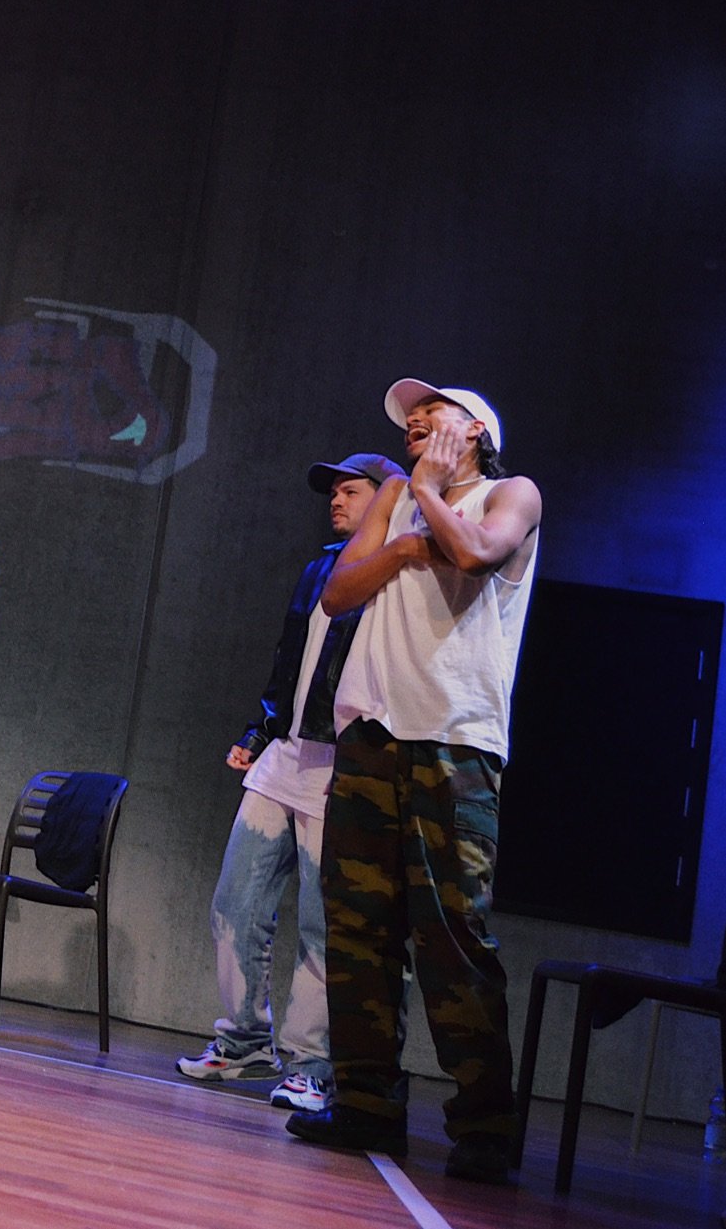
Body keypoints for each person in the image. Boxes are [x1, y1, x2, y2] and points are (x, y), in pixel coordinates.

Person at [287, 380, 541, 1187]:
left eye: (434, 411)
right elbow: (338, 592)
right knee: (358, 927)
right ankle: (365, 1103)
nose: (415, 421)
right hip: (370, 730)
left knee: (451, 932)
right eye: (409, 416)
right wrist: (400, 539)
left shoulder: (511, 492)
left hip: (454, 741)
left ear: (474, 430)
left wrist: (430, 495)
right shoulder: (394, 494)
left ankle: (483, 1126)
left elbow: (473, 552)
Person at [175, 452, 403, 1115]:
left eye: (350, 489)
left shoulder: (395, 576)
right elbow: (290, 662)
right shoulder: (319, 568)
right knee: (235, 901)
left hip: (347, 763)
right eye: (332, 490)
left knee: (319, 922)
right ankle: (244, 1037)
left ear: (386, 498)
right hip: (286, 752)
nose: (335, 499)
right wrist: (259, 726)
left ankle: (311, 1064)